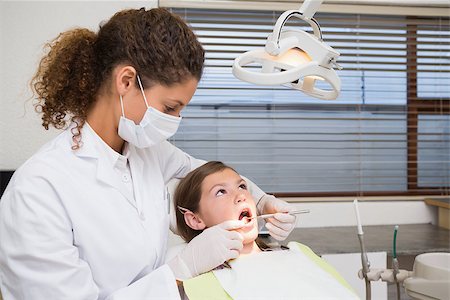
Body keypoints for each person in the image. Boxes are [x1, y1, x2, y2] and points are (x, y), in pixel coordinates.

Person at [0, 7, 297, 300]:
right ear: (126, 81)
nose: (176, 120)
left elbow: (215, 176)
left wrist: (263, 201)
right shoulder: (38, 190)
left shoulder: (148, 151)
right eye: (170, 108)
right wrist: (181, 269)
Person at [173, 161, 359, 300]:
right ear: (195, 219)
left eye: (242, 186)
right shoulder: (196, 287)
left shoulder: (300, 253)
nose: (241, 196)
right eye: (220, 191)